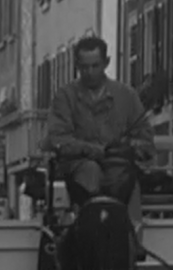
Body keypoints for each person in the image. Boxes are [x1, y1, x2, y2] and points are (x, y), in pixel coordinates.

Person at [44, 36, 155, 215]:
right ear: (76, 66)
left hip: (119, 169)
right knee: (90, 172)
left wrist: (130, 148)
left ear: (106, 62)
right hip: (78, 171)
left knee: (124, 177)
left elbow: (145, 139)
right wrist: (93, 150)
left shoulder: (126, 95)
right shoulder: (64, 97)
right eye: (84, 67)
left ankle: (131, 233)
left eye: (95, 66)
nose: (89, 72)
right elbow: (59, 139)